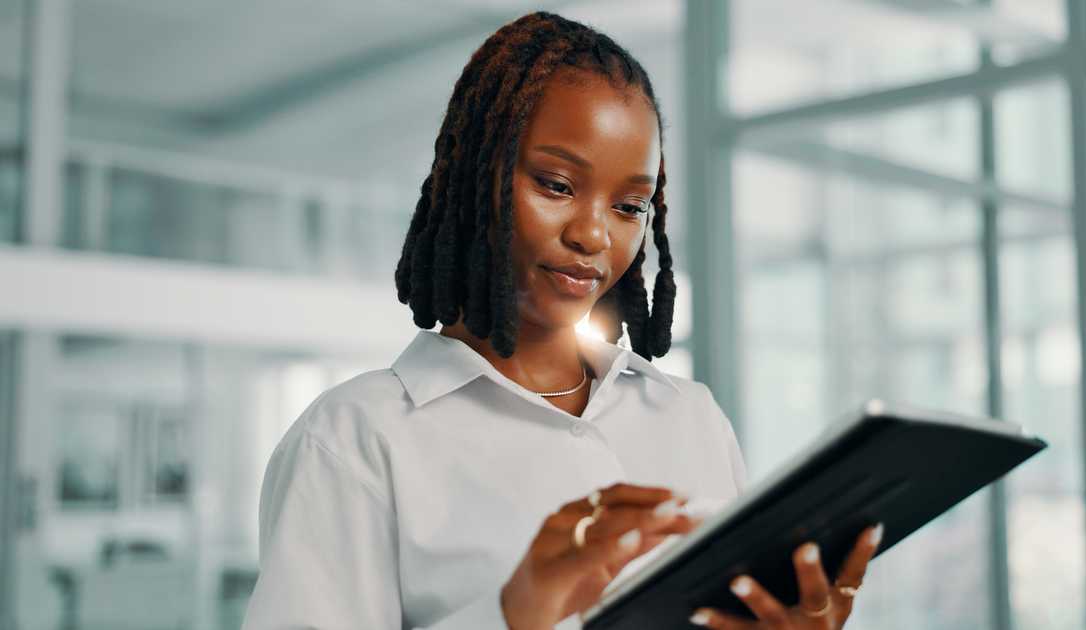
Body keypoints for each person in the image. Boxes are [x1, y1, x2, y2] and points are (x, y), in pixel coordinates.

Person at [240, 11, 882, 630]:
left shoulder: (691, 418)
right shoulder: (355, 440)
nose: (593, 235)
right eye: (555, 185)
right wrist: (514, 615)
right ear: (474, 174)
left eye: (631, 204)